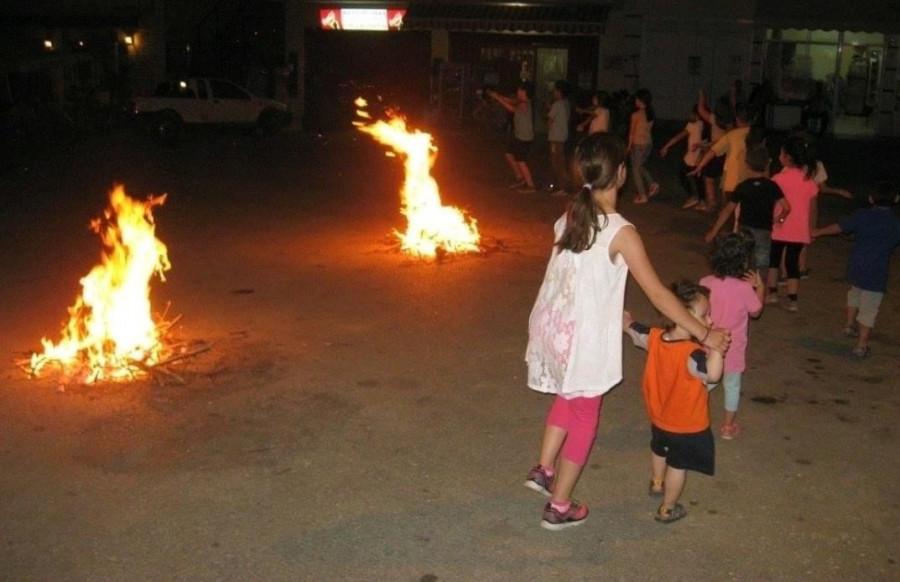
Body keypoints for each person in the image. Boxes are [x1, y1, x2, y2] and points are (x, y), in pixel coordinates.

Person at [524, 133, 731, 531]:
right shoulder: (620, 231)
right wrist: (703, 334)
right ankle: (560, 506)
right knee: (586, 415)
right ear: (621, 174)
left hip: (552, 327)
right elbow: (658, 294)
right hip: (580, 339)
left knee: (569, 397)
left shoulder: (571, 215)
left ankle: (544, 468)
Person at [623, 281, 725, 523]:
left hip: (659, 418)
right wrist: (718, 348)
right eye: (705, 315)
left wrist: (625, 320)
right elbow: (712, 375)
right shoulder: (692, 354)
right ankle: (667, 508)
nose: (710, 321)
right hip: (686, 425)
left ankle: (657, 482)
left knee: (660, 449)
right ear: (682, 316)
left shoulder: (655, 338)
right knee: (678, 466)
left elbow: (634, 329)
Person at [812, 181, 900, 358]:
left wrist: (817, 232)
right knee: (869, 307)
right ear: (896, 199)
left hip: (857, 265)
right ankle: (862, 344)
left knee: (855, 294)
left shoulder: (863, 215)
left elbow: (840, 227)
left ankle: (849, 325)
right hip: (877, 270)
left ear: (871, 198)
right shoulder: (894, 223)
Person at [700, 231, 765, 439]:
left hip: (708, 343)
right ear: (743, 261)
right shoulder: (745, 288)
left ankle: (693, 415)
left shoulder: (705, 282)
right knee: (732, 385)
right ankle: (728, 426)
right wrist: (760, 287)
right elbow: (756, 312)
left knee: (705, 382)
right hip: (732, 347)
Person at [704, 145, 791, 276]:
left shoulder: (743, 186)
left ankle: (742, 286)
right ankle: (759, 287)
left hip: (745, 229)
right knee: (761, 264)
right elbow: (787, 207)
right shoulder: (772, 186)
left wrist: (713, 231)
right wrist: (780, 219)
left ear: (747, 165)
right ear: (767, 164)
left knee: (742, 261)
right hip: (764, 229)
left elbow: (728, 210)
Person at [765, 137, 818, 312]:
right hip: (799, 229)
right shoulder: (809, 181)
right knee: (792, 263)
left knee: (774, 260)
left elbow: (772, 203)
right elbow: (812, 209)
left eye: (781, 154)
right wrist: (811, 229)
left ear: (787, 157)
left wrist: (773, 220)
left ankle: (772, 293)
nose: (779, 157)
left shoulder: (778, 178)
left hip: (779, 226)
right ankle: (792, 299)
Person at [688, 103, 752, 213]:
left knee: (723, 189)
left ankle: (717, 205)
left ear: (737, 119)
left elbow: (713, 150)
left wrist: (699, 166)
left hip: (731, 172)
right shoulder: (755, 134)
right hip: (749, 174)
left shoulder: (730, 133)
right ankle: (724, 210)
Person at [487, 82, 536, 193]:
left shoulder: (524, 104)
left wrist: (497, 98)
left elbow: (512, 108)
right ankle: (520, 178)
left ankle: (530, 185)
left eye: (519, 90)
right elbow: (510, 101)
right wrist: (497, 95)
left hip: (524, 137)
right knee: (509, 154)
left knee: (521, 160)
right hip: (519, 135)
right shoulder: (522, 101)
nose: (517, 92)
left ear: (524, 92)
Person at [660, 105, 705, 209]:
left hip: (691, 157)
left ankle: (693, 196)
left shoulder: (692, 125)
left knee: (682, 174)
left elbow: (678, 137)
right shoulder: (701, 124)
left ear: (696, 114)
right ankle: (701, 200)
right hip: (697, 155)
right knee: (697, 178)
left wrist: (666, 146)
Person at [695, 89, 731, 212]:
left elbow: (700, 110)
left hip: (715, 153)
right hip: (727, 154)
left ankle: (711, 202)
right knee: (724, 181)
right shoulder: (730, 122)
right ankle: (725, 206)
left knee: (709, 178)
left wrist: (702, 97)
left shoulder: (714, 118)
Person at [627, 88, 659, 204]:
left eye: (636, 99)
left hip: (638, 144)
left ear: (640, 100)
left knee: (635, 169)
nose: (635, 101)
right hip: (648, 144)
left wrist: (629, 146)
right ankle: (652, 184)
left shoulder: (636, 115)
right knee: (640, 165)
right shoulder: (650, 114)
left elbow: (632, 132)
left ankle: (642, 195)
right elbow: (648, 129)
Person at [547, 80, 571, 196]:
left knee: (557, 163)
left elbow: (549, 121)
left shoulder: (557, 104)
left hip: (556, 137)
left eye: (555, 90)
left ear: (559, 91)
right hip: (562, 135)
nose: (554, 92)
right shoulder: (566, 103)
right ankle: (560, 186)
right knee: (560, 161)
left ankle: (561, 187)